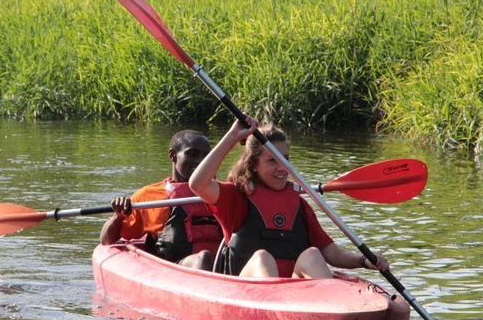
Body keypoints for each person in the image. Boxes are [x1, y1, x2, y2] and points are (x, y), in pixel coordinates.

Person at [188, 115, 391, 278]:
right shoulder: (237, 197)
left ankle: (332, 311)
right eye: (272, 160)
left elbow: (331, 253)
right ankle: (279, 314)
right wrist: (232, 136)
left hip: (293, 296)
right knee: (262, 258)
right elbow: (198, 184)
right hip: (248, 292)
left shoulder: (298, 204)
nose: (282, 168)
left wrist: (364, 260)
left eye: (285, 159)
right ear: (253, 165)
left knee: (312, 254)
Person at [100, 129, 222, 270]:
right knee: (204, 258)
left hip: (221, 267)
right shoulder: (150, 196)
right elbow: (106, 240)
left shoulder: (220, 191)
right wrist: (119, 216)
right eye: (192, 154)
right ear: (172, 155)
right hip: (175, 270)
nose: (200, 161)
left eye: (206, 156)